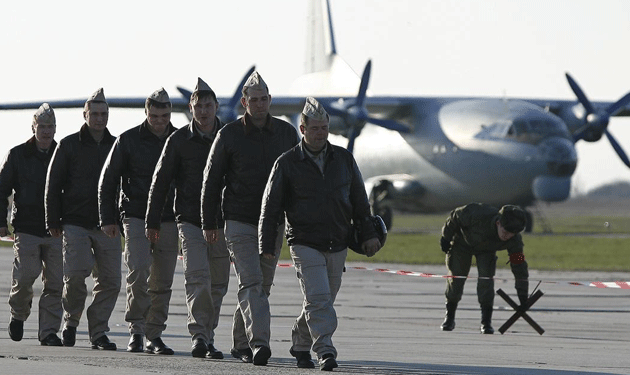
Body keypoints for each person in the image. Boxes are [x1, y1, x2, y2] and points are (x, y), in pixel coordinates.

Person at [258, 97, 381, 371]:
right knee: (318, 298)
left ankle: (300, 343)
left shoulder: (344, 159)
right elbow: (271, 207)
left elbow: (360, 202)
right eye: (314, 128)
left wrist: (369, 233)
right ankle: (325, 350)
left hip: (338, 241)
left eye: (324, 128)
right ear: (302, 129)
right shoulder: (287, 163)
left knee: (323, 299)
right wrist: (267, 245)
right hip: (304, 242)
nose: (320, 133)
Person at [201, 71, 299, 366]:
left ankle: (239, 343)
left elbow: (298, 179)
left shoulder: (286, 133)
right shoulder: (228, 135)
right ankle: (260, 344)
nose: (259, 104)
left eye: (263, 99)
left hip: (273, 222)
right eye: (253, 100)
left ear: (270, 100)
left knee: (260, 287)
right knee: (252, 281)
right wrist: (209, 222)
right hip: (239, 220)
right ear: (244, 102)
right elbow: (211, 180)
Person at [146, 78, 230, 359]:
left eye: (208, 106)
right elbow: (160, 181)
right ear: (190, 109)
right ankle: (198, 337)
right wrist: (152, 220)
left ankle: (208, 334)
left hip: (221, 221)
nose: (204, 111)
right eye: (198, 106)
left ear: (216, 107)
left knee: (218, 284)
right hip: (190, 220)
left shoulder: (229, 137)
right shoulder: (178, 141)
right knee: (197, 278)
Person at [98, 88, 178, 354]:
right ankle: (136, 330)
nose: (160, 120)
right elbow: (108, 181)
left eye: (165, 115)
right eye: (155, 115)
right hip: (135, 216)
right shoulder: (128, 140)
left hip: (169, 218)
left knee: (163, 280)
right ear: (146, 112)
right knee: (139, 271)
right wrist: (108, 218)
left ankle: (154, 333)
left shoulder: (179, 140)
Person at [45, 88, 122, 350]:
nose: (100, 119)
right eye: (95, 114)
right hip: (75, 222)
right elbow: (53, 184)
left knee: (111, 281)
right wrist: (52, 220)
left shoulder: (117, 145)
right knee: (76, 276)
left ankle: (98, 331)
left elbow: (127, 184)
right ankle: (71, 321)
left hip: (108, 223)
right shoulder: (68, 145)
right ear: (85, 115)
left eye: (104, 114)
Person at [0, 103, 63, 346]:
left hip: (57, 229)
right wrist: (1, 222)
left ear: (55, 129)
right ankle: (18, 312)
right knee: (25, 276)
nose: (46, 132)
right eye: (42, 127)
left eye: (50, 127)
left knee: (55, 283)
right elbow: (2, 189)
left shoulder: (63, 154)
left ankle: (48, 332)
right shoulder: (17, 155)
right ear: (33, 127)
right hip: (26, 227)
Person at [439, 203, 529, 334]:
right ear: (498, 223)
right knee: (457, 278)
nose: (507, 236)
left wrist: (523, 296)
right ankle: (449, 317)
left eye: (511, 234)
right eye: (505, 231)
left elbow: (519, 267)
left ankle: (486, 322)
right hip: (462, 244)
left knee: (486, 281)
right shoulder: (477, 214)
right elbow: (454, 217)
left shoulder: (514, 240)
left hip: (487, 251)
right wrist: (446, 237)